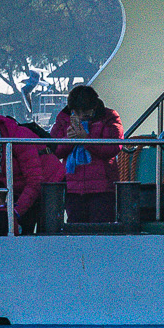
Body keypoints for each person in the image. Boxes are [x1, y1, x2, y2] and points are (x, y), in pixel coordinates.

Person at [51, 84, 125, 224]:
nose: (80, 117)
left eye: (85, 113)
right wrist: (69, 140)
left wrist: (86, 139)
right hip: (73, 188)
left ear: (94, 108)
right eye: (76, 113)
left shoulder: (109, 117)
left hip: (102, 188)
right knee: (76, 228)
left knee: (101, 228)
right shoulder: (63, 119)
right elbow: (54, 150)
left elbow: (113, 147)